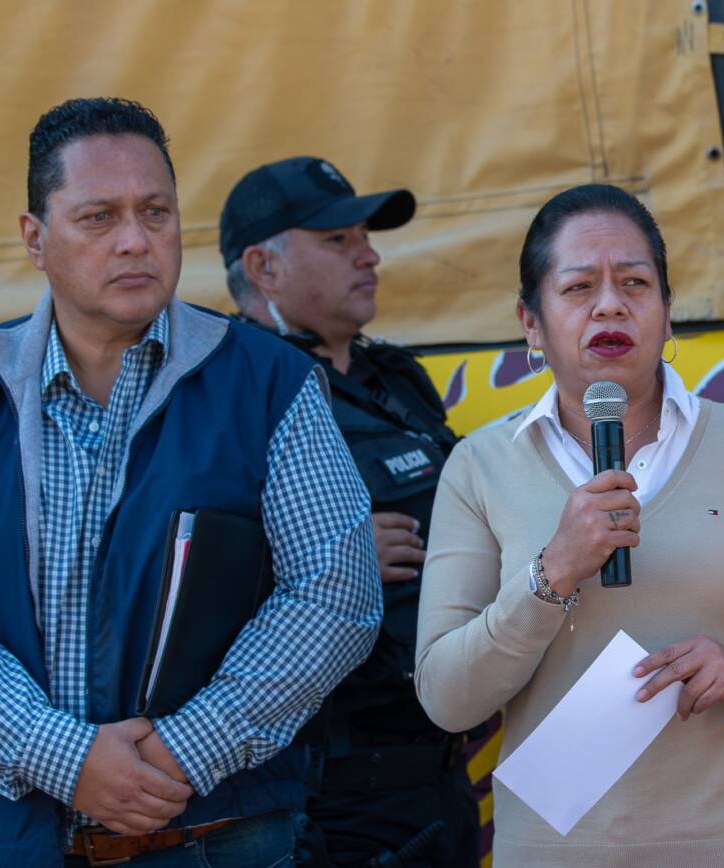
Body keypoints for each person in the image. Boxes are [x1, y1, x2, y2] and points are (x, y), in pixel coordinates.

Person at [0, 97, 382, 867]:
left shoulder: (268, 381)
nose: (135, 240)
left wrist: (185, 749)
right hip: (12, 845)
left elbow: (336, 594)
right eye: (98, 217)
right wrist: (65, 759)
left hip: (217, 839)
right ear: (34, 237)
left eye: (155, 212)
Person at [413, 183, 724, 867]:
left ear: (666, 313)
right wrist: (552, 573)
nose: (610, 305)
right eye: (578, 288)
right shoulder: (480, 467)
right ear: (531, 323)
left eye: (635, 283)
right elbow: (447, 698)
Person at [219, 156, 476, 867]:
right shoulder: (226, 390)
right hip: (321, 801)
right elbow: (171, 580)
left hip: (440, 775)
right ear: (263, 267)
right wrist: (329, 554)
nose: (369, 256)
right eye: (337, 240)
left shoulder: (395, 377)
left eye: (365, 237)